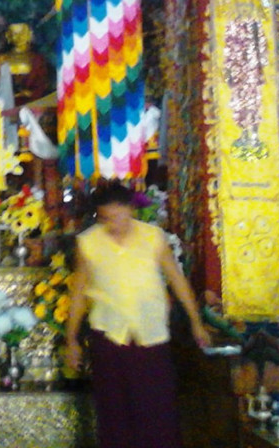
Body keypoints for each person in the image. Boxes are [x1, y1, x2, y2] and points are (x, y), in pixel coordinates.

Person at [63, 181, 210, 448]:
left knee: (158, 413)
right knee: (113, 415)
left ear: (131, 209)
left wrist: (196, 322)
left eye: (118, 215)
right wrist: (71, 339)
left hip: (151, 337)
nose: (113, 223)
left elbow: (176, 280)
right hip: (108, 337)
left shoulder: (153, 237)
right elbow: (78, 294)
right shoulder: (88, 243)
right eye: (106, 218)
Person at [0, 22, 50, 106]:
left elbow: (43, 83)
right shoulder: (1, 59)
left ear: (29, 34)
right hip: (6, 103)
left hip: (32, 103)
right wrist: (3, 72)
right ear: (8, 36)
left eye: (22, 33)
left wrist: (30, 93)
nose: (19, 37)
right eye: (15, 34)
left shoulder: (37, 59)